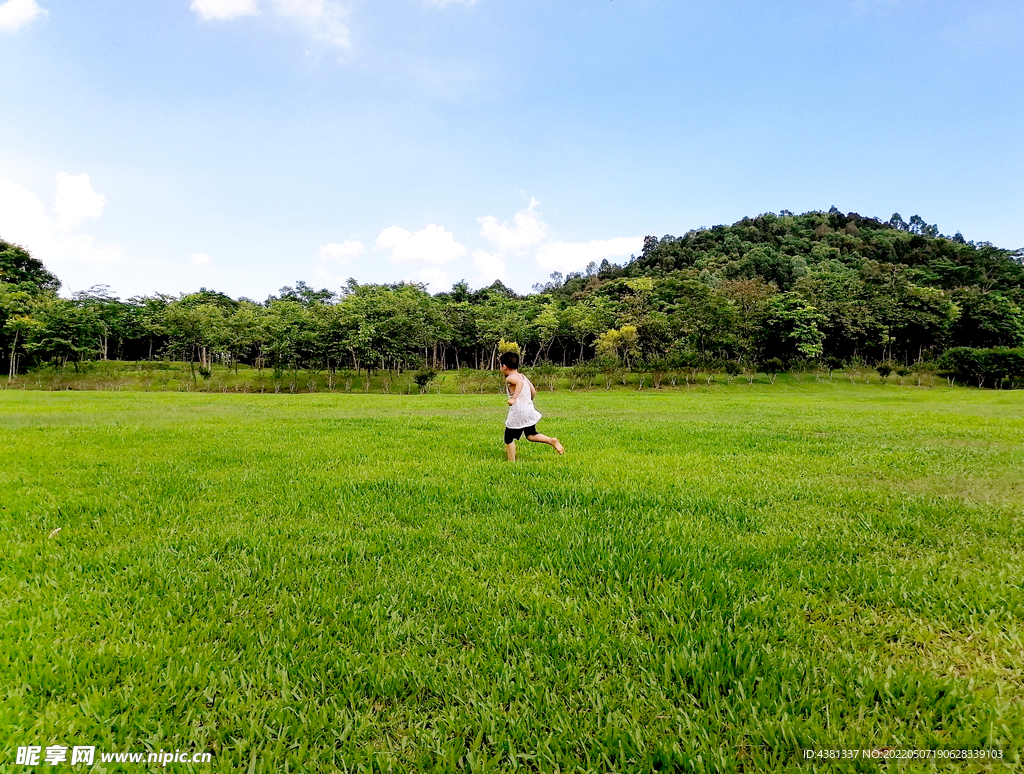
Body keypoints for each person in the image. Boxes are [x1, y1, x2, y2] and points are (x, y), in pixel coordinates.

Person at [498, 351, 564, 461]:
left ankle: (511, 461)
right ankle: (551, 440)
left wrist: (514, 398)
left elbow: (519, 384)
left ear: (504, 366)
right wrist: (528, 400)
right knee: (530, 434)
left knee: (508, 437)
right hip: (528, 409)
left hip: (518, 411)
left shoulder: (510, 378)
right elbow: (533, 391)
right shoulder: (523, 376)